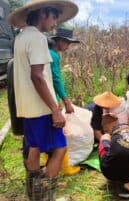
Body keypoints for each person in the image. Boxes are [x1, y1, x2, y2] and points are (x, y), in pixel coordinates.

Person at [7, 0, 78, 200]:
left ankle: (33, 193)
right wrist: (56, 110)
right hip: (41, 108)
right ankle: (45, 195)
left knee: (35, 148)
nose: (55, 23)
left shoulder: (21, 37)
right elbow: (38, 76)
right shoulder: (38, 38)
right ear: (43, 13)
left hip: (28, 107)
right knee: (60, 148)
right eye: (54, 17)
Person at [45, 27, 81, 175]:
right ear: (60, 41)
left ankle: (49, 165)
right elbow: (56, 79)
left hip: (44, 100)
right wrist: (66, 101)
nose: (68, 47)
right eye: (67, 43)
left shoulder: (46, 53)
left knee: (48, 135)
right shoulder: (53, 55)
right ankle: (65, 168)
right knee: (59, 137)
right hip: (51, 100)